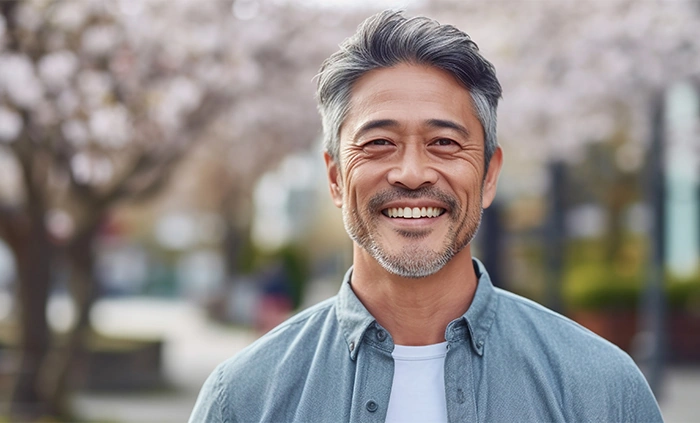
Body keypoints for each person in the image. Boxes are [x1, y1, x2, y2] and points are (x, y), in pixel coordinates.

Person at [189, 10, 663, 423]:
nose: (412, 173)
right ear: (335, 177)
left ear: (489, 175)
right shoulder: (245, 398)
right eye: (378, 143)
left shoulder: (603, 390)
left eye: (444, 143)